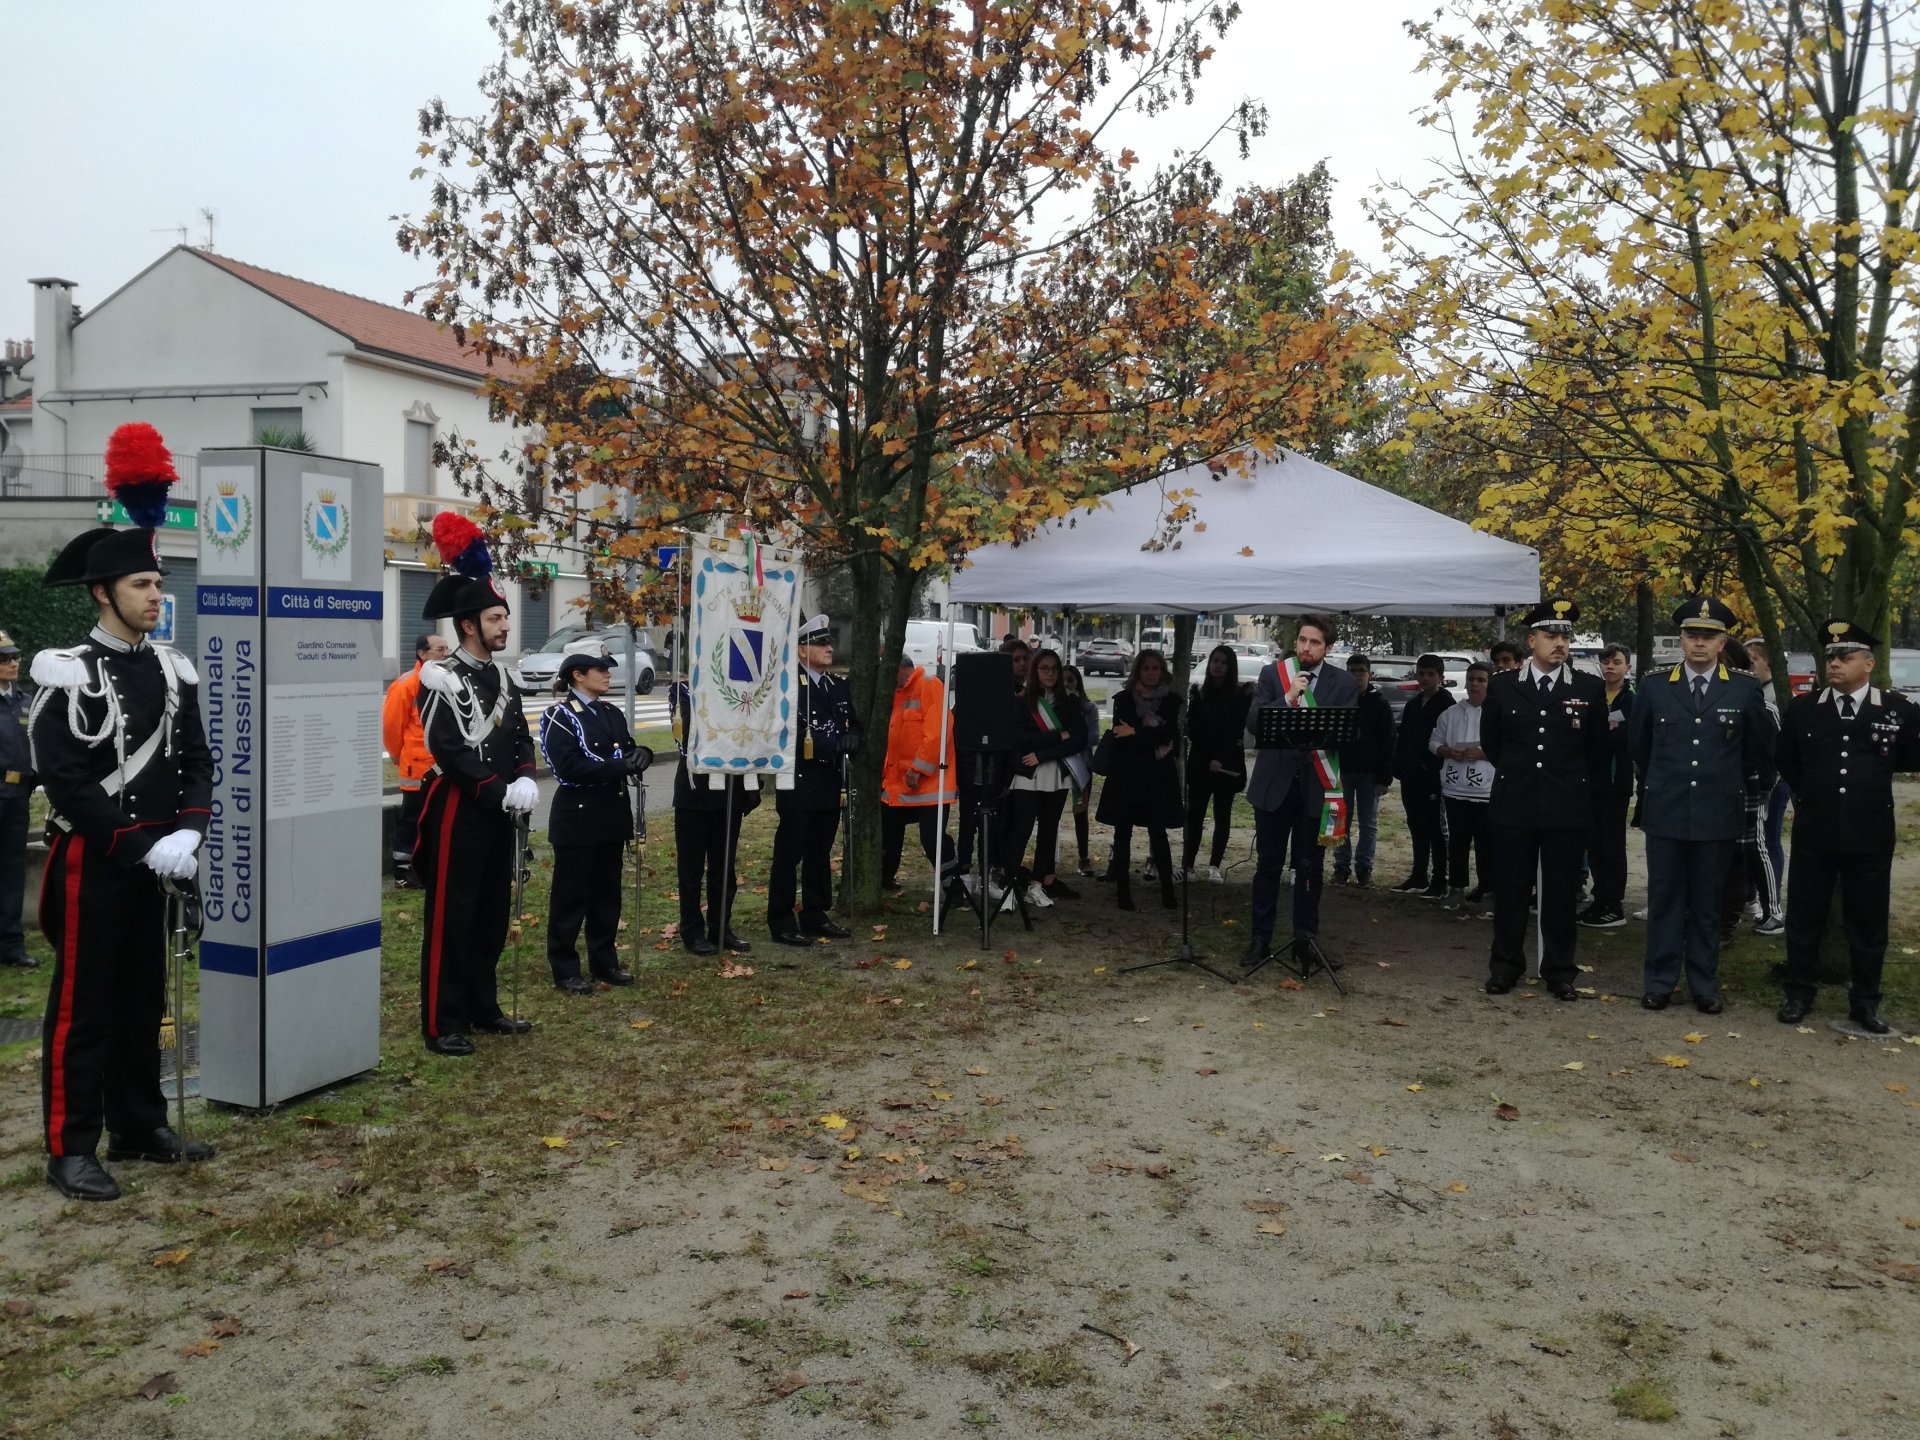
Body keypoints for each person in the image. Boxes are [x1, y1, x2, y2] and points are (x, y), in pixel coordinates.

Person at [28, 422, 214, 1201]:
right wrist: (144, 845)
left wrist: (191, 832)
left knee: (144, 1000)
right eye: (144, 586)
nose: (156, 597)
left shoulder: (173, 669)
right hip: (95, 863)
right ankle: (70, 1147)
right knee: (84, 1008)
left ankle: (139, 1124)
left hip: (162, 860)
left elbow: (201, 761)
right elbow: (66, 780)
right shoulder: (68, 675)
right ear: (105, 593)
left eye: (160, 585)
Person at [413, 513, 539, 1057]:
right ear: (469, 626)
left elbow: (521, 737)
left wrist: (527, 780)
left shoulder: (504, 677)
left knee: (491, 912)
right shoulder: (442, 677)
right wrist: (495, 789)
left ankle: (483, 1007)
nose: (505, 626)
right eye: (495, 617)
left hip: (500, 810)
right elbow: (448, 747)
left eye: (505, 616)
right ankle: (443, 1022)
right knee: (452, 917)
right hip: (460, 809)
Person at [1628, 599, 1775, 1014]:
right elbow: (1639, 745)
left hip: (1717, 814)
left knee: (1707, 905)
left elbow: (1758, 751)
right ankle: (1659, 981)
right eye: (1693, 635)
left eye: (1708, 636)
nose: (1699, 643)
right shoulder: (1656, 685)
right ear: (1681, 639)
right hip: (1667, 811)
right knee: (1665, 901)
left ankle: (1704, 984)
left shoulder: (1744, 688)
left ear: (1722, 642)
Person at [1775, 620, 1920, 1033]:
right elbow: (1786, 759)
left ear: (1869, 663)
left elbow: (1910, 757)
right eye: (1830, 657)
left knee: (1869, 921)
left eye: (1844, 656)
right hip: (1815, 831)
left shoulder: (1896, 709)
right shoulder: (1805, 708)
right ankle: (1799, 992)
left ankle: (1866, 1002)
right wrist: (1815, 795)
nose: (1834, 663)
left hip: (1870, 832)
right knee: (1804, 917)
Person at [1480, 598, 1609, 1000]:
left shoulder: (1587, 687)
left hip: (1565, 804)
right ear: (1531, 640)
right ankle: (1505, 967)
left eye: (1565, 636)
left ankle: (1559, 970)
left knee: (1559, 894)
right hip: (1515, 803)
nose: (1560, 643)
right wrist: (1520, 777)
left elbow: (1597, 749)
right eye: (1551, 635)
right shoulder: (1503, 685)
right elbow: (1492, 743)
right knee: (1512, 890)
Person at [1242, 617, 1359, 968]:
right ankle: (1260, 939)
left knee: (1310, 868)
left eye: (1315, 642)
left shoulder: (1343, 683)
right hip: (1275, 786)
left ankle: (1305, 941)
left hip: (1316, 788)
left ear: (1328, 647)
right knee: (1268, 866)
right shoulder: (1273, 675)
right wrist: (1288, 697)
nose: (1306, 648)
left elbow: (1349, 733)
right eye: (1302, 640)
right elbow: (1253, 723)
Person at [539, 649, 653, 994]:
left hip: (610, 815)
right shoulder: (558, 715)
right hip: (578, 817)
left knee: (606, 896)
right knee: (571, 897)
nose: (607, 675)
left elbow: (628, 749)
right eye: (600, 670)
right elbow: (568, 769)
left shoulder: (610, 712)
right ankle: (565, 967)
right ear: (577, 675)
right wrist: (621, 765)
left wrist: (643, 754)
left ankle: (605, 962)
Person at [768, 615, 861, 946]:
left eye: (829, 642)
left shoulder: (837, 685)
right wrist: (835, 743)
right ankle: (780, 918)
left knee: (820, 851)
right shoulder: (790, 686)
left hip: (829, 781)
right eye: (822, 643)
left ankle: (815, 913)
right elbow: (785, 733)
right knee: (790, 853)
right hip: (798, 780)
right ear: (802, 650)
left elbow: (851, 722)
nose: (829, 648)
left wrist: (852, 737)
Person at [668, 677, 757, 956]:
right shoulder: (684, 688)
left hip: (730, 789)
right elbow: (688, 734)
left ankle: (720, 927)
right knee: (691, 869)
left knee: (724, 867)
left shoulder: (740, 688)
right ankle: (691, 930)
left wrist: (751, 780)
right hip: (695, 791)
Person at [1096, 649, 1183, 910]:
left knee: (1159, 833)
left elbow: (1169, 735)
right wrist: (1144, 735)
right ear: (1138, 671)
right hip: (1127, 775)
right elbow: (1123, 736)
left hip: (1158, 777)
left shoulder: (1172, 700)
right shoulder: (1123, 698)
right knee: (1123, 832)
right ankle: (1123, 891)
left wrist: (1136, 732)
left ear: (1162, 671)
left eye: (1155, 668)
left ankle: (1167, 890)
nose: (1151, 673)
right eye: (1146, 668)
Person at [1001, 647, 1088, 906]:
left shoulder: (1070, 702)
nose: (1050, 673)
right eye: (1044, 668)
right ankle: (1009, 885)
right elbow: (1019, 738)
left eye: (1054, 669)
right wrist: (1056, 737)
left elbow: (1079, 740)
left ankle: (1037, 885)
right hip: (1028, 775)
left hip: (1056, 774)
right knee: (1021, 830)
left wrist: (1043, 754)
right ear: (1035, 671)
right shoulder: (1020, 701)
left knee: (1049, 832)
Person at [880, 652, 955, 894]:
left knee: (932, 839)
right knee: (888, 831)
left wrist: (919, 769)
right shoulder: (897, 694)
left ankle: (952, 884)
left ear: (900, 668)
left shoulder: (929, 686)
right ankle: (884, 877)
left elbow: (938, 733)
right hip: (898, 784)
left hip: (929, 784)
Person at [382, 631, 450, 889]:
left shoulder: (447, 680)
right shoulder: (407, 683)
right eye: (439, 650)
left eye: (446, 649)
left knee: (436, 818)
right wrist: (399, 756)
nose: (446, 654)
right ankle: (402, 872)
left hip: (443, 765)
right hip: (417, 767)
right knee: (412, 818)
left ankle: (426, 866)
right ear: (422, 654)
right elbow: (391, 726)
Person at [1181, 644, 1250, 884]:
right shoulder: (1198, 692)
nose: (1218, 666)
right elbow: (1196, 728)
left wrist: (1220, 758)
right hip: (1201, 762)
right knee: (1195, 814)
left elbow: (1234, 730)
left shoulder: (1240, 696)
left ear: (1230, 667)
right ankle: (1187, 865)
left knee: (1223, 815)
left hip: (1226, 764)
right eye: (1215, 661)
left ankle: (1215, 865)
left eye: (1223, 662)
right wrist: (1207, 756)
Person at [1430, 660, 1495, 913]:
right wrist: (1447, 750)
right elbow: (1434, 742)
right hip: (1455, 790)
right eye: (1471, 679)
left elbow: (1509, 746)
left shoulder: (1496, 713)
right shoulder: (1450, 713)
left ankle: (1489, 891)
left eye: (1481, 680)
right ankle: (1456, 889)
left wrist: (1482, 753)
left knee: (1486, 844)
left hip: (1486, 792)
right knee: (1457, 842)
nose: (1474, 685)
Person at [1580, 642, 1635, 929]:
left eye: (1616, 662)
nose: (1610, 667)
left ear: (1628, 666)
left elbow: (1620, 738)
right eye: (1605, 662)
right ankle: (1599, 899)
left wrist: (1602, 732)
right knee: (1595, 844)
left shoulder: (1631, 699)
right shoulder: (1594, 694)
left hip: (1615, 782)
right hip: (1591, 780)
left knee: (1612, 844)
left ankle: (1614, 904)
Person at [1390, 654, 1454, 898]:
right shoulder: (1413, 704)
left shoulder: (1446, 705)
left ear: (1440, 677)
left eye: (1430, 674)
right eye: (1421, 674)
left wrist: (1430, 766)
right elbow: (1404, 738)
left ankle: (1440, 878)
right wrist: (1399, 767)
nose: (1425, 679)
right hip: (1410, 775)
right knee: (1416, 825)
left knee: (1435, 827)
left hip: (1432, 777)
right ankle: (1419, 874)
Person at [1332, 652, 1394, 888]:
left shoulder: (1379, 704)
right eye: (1353, 671)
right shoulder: (1339, 701)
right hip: (1342, 770)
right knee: (1338, 820)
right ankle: (1340, 866)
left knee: (1368, 822)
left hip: (1369, 772)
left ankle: (1364, 867)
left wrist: (1384, 776)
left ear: (1369, 674)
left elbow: (1389, 740)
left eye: (1361, 671)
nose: (1357, 676)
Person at [1743, 636, 1789, 936]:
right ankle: (1750, 896)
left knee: (1767, 839)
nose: (1747, 669)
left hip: (1772, 779)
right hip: (1760, 777)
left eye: (1751, 662)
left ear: (1766, 662)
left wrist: (1769, 778)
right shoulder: (1756, 691)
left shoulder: (1776, 697)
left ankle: (1771, 906)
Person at [0, 628, 33, 970]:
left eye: (14, 656)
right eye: (4, 658)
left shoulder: (25, 700)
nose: (12, 663)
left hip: (19, 793)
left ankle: (11, 945)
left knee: (13, 871)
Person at [1062, 663, 1102, 878]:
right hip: (1058, 763)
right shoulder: (1055, 706)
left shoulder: (1089, 707)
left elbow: (1094, 737)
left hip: (1082, 764)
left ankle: (1084, 857)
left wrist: (1074, 736)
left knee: (1081, 810)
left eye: (1071, 679)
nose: (1067, 684)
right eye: (1064, 680)